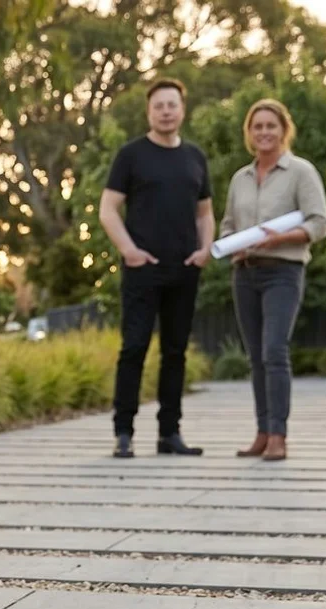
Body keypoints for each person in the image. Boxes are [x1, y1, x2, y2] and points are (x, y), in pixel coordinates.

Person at [98, 78, 215, 459]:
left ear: (183, 110)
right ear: (149, 112)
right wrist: (128, 250)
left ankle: (170, 434)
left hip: (185, 270)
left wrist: (205, 250)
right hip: (142, 270)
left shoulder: (195, 157)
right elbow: (108, 209)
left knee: (176, 353)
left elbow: (206, 213)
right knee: (134, 348)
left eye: (172, 105)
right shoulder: (131, 155)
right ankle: (124, 432)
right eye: (159, 106)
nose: (166, 111)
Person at [218, 98, 326, 462]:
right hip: (245, 274)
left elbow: (319, 223)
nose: (264, 132)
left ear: (284, 130)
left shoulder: (300, 172)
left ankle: (279, 435)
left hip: (283, 271)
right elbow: (228, 224)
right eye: (257, 126)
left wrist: (278, 238)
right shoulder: (240, 178)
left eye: (271, 126)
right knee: (256, 358)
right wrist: (232, 244)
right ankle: (262, 432)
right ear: (249, 134)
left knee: (274, 351)